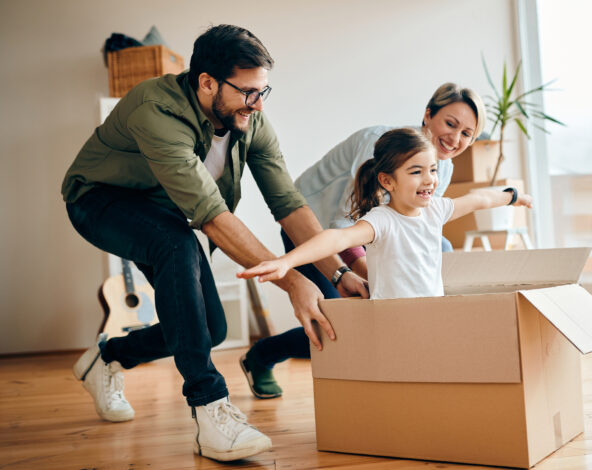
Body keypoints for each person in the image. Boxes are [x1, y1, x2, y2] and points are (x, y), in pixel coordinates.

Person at [61, 24, 367, 462]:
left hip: (161, 210)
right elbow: (210, 217)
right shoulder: (156, 109)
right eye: (248, 92)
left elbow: (288, 203)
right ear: (207, 83)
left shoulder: (249, 119)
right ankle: (210, 411)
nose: (258, 104)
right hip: (97, 199)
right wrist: (292, 281)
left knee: (211, 329)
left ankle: (108, 357)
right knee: (176, 243)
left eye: (264, 91)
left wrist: (338, 270)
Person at [240, 83, 486, 397]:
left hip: (363, 235)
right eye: (450, 124)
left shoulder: (443, 166)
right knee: (336, 324)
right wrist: (365, 270)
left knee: (443, 251)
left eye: (467, 133)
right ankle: (261, 356)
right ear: (428, 114)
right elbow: (347, 220)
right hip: (312, 228)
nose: (455, 139)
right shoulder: (378, 145)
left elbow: (419, 224)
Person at [238, 128, 533, 300]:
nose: (429, 179)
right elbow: (334, 239)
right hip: (392, 319)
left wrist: (513, 197)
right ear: (387, 181)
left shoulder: (436, 210)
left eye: (432, 170)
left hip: (431, 314)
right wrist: (286, 261)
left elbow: (478, 199)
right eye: (416, 172)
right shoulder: (381, 221)